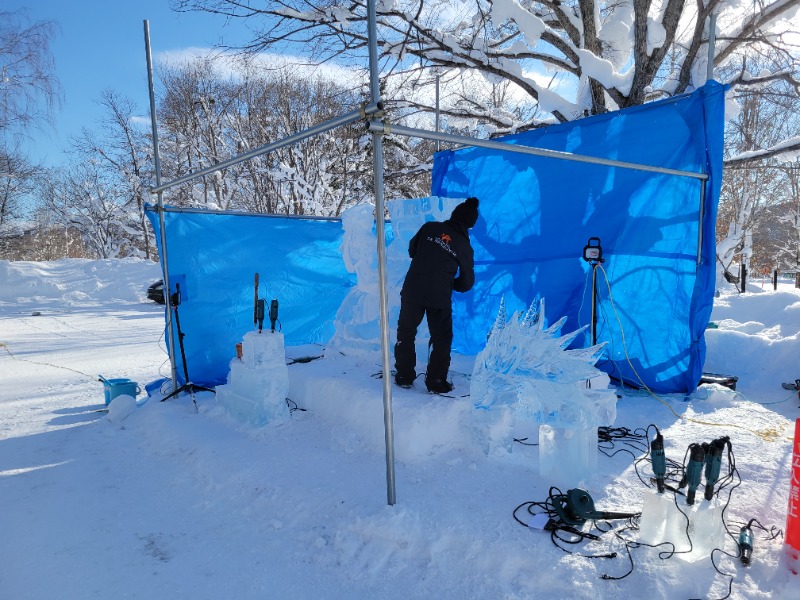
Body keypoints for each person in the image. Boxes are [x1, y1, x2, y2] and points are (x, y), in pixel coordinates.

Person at [394, 197, 479, 393]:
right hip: (439, 296)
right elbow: (467, 283)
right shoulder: (464, 246)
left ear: (453, 215)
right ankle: (436, 381)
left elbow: (412, 249)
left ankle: (404, 376)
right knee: (441, 338)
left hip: (413, 289)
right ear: (470, 224)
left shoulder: (429, 227)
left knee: (406, 331)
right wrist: (450, 283)